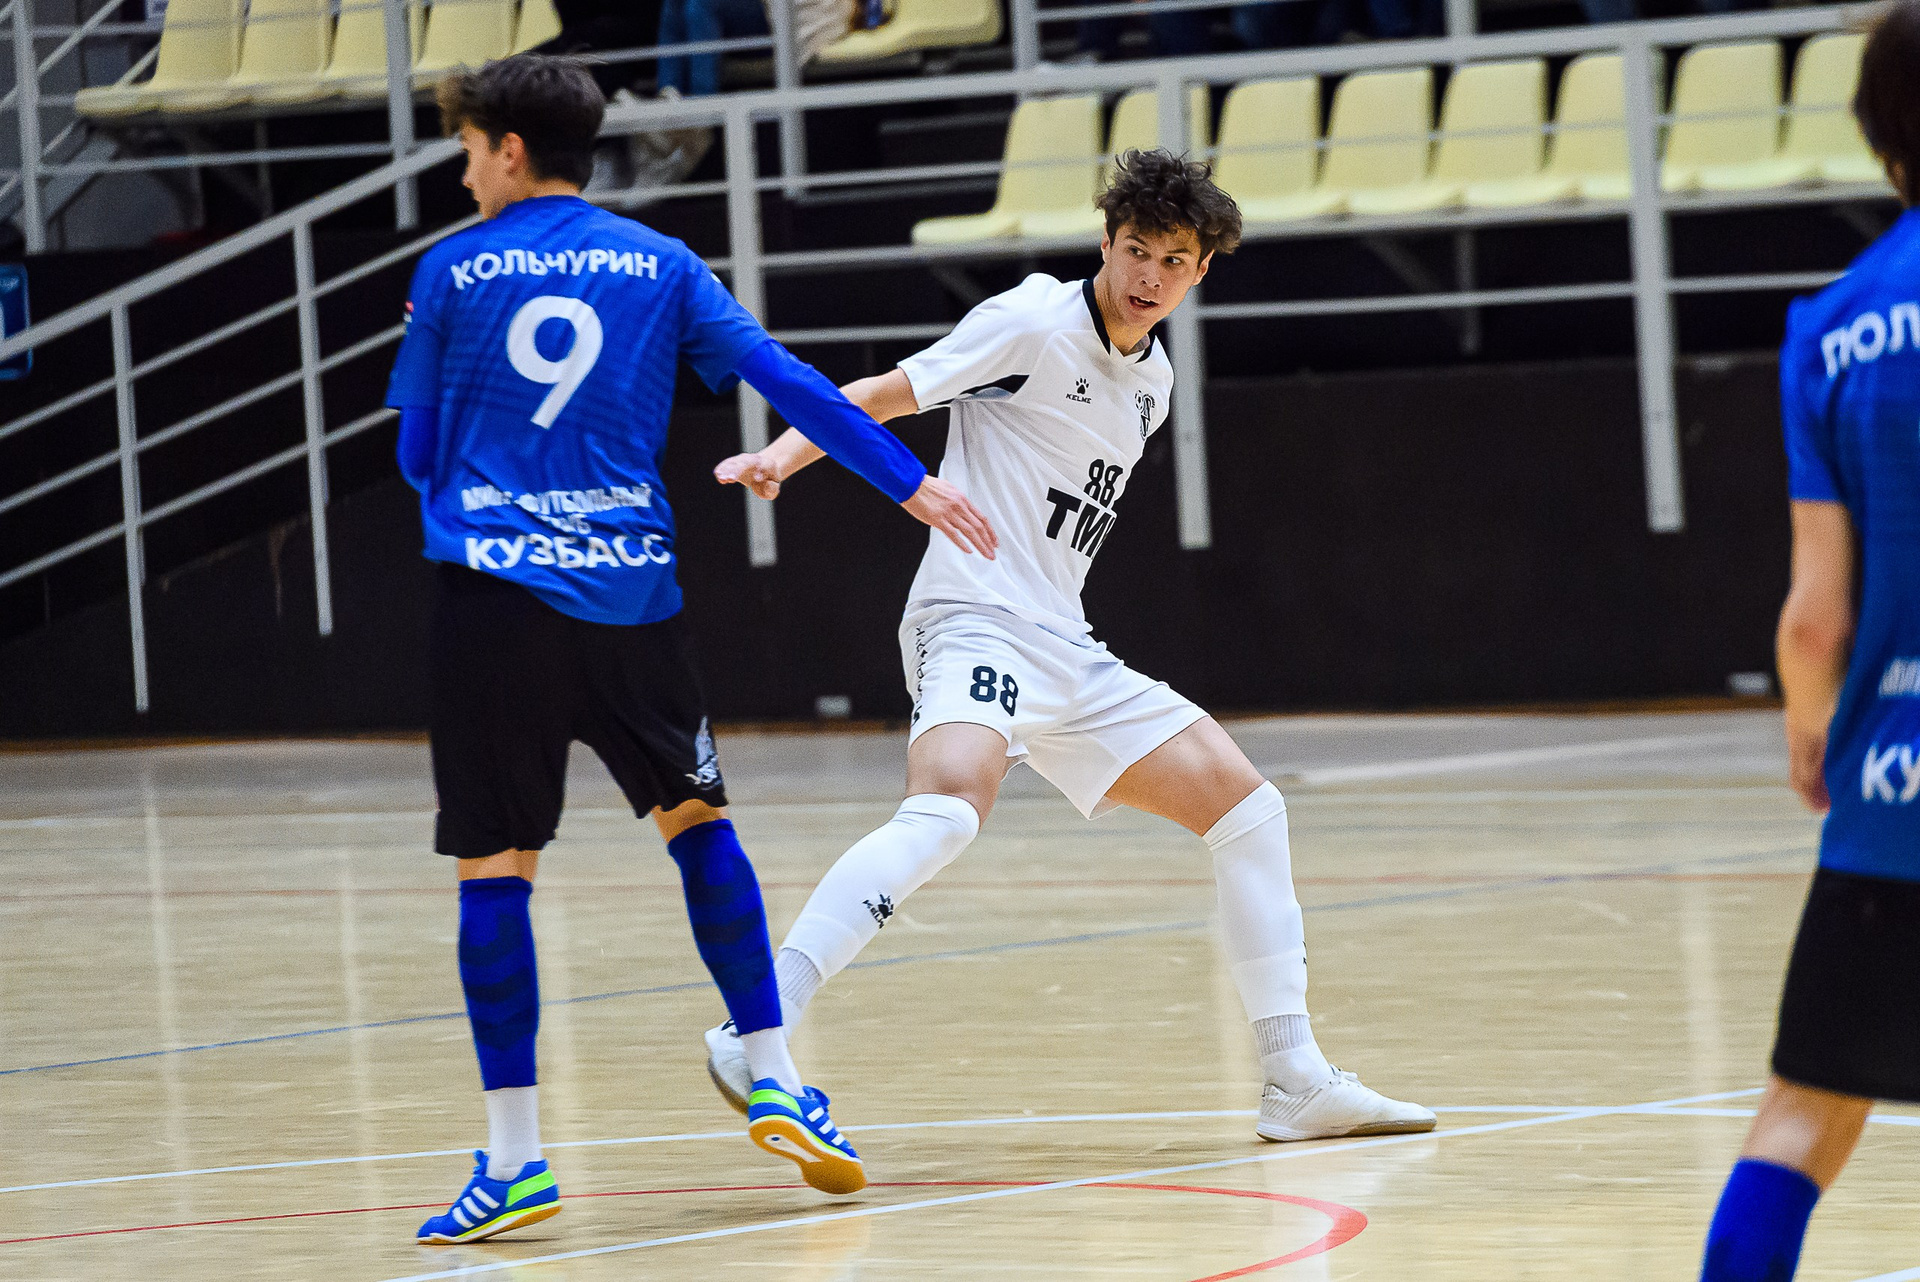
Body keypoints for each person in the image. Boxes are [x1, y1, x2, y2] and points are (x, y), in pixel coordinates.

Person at [385, 54, 998, 1245]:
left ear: (509, 149)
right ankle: (774, 1073)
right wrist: (909, 483)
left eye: (466, 152)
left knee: (495, 870)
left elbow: (415, 453)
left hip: (493, 603)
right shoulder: (660, 262)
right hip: (632, 600)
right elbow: (788, 381)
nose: (462, 176)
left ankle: (514, 1159)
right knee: (699, 824)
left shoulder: (451, 269)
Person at [705, 149, 1435, 1142]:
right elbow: (877, 393)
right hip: (974, 615)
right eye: (1136, 250)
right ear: (1106, 242)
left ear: (1201, 271)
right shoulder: (1033, 322)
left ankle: (1295, 1079)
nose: (1149, 276)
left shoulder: (1153, 382)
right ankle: (759, 1026)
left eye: (1173, 261)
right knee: (948, 809)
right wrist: (781, 458)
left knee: (1248, 811)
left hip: (1065, 644)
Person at [1698, 5, 1920, 1278]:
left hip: (1891, 796)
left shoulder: (1832, 324)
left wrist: (1812, 725)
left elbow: (1813, 615)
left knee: (1802, 1113)